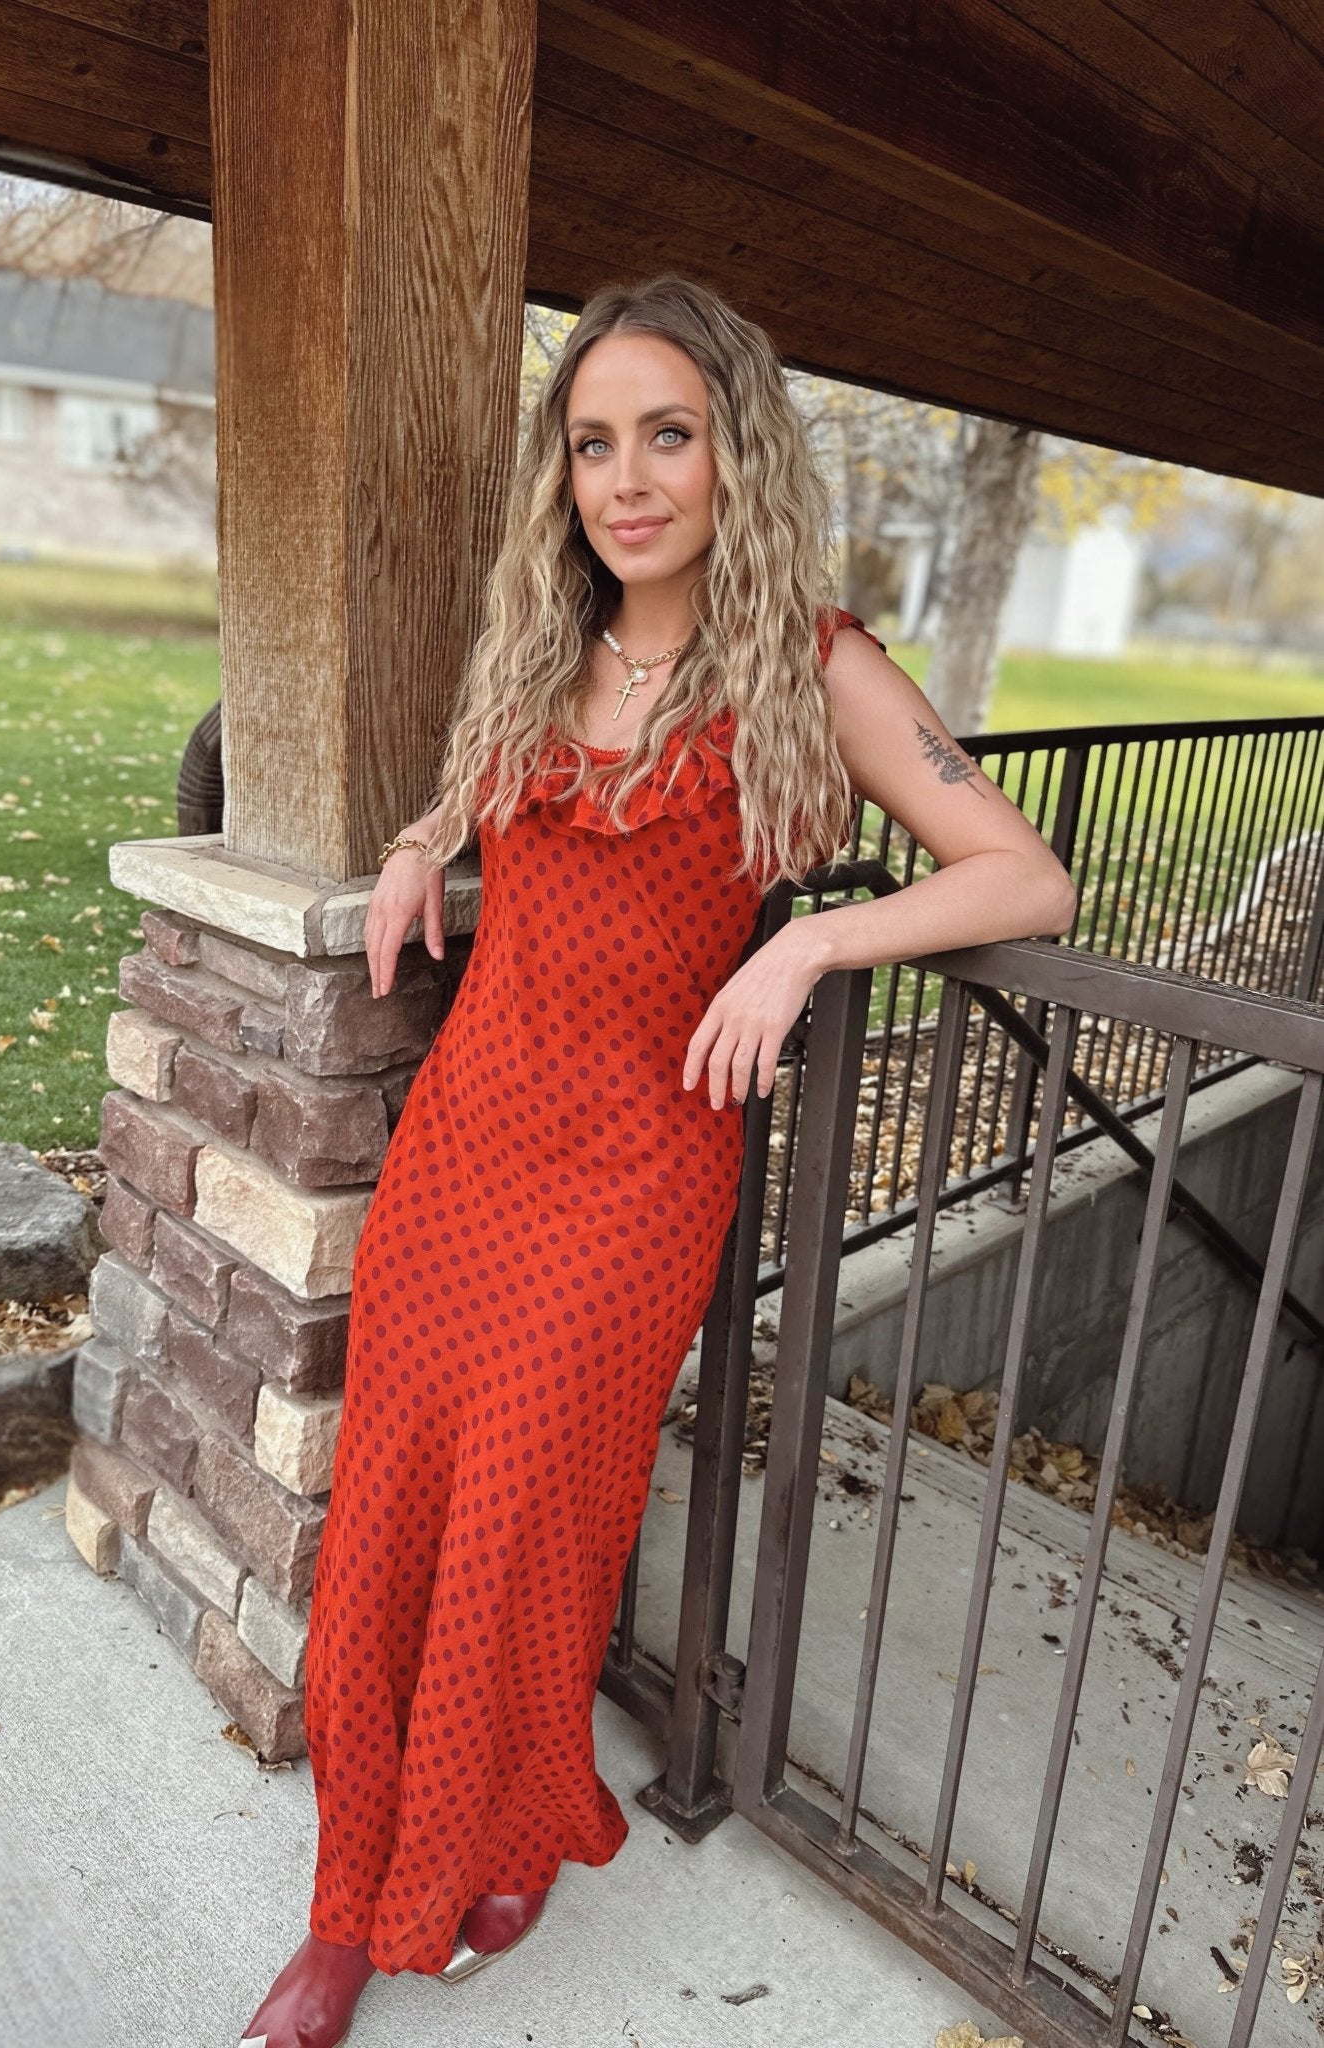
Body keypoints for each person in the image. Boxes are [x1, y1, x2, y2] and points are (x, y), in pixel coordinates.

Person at [238, 273, 1076, 2048]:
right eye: (593, 443)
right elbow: (477, 794)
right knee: (394, 1508)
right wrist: (410, 837)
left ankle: (509, 1820)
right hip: (468, 1144)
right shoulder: (545, 639)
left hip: (635, 1174)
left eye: (666, 438)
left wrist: (807, 945)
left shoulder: (818, 663)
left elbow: (1024, 878)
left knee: (537, 1518)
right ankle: (349, 1895)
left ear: (733, 456)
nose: (626, 481)